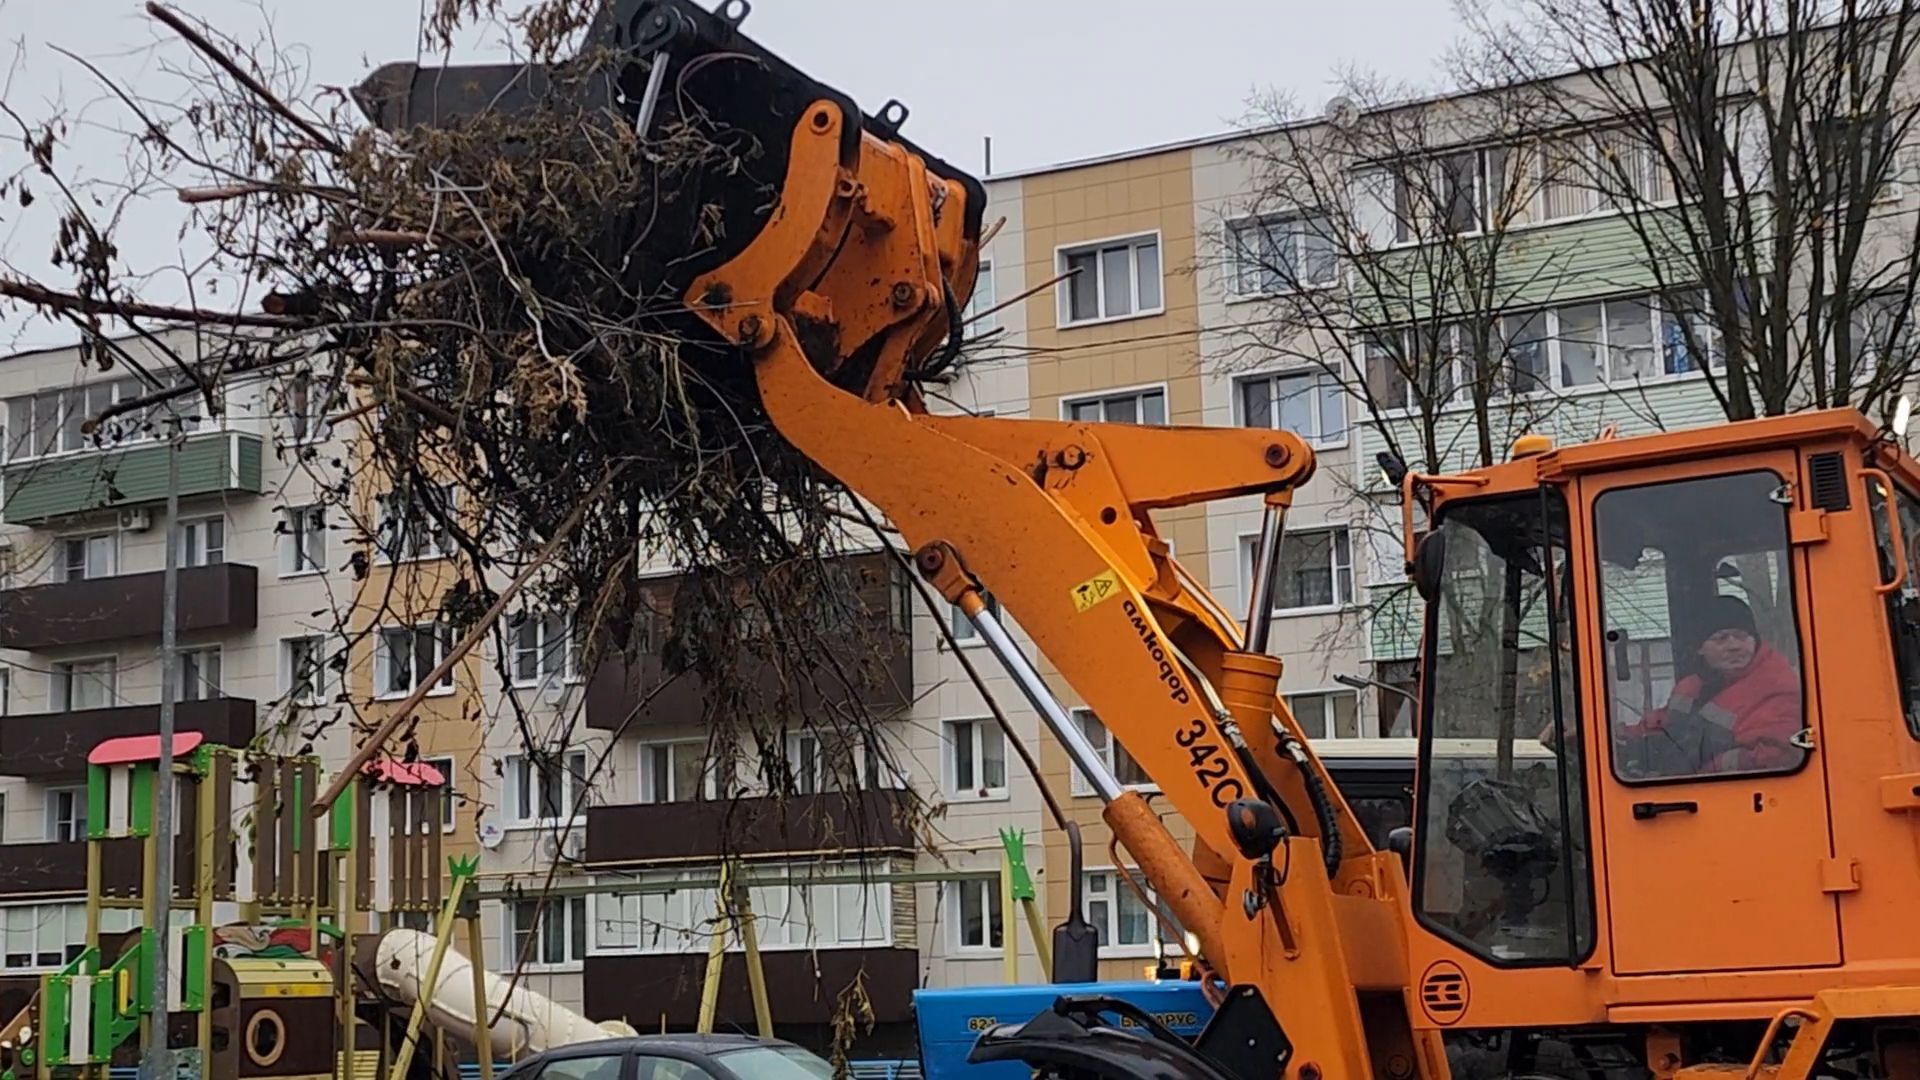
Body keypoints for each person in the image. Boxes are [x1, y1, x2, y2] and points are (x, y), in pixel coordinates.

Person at [1613, 596, 1802, 778]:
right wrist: (1623, 739)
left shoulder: (1776, 687)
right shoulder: (1692, 686)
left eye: (1742, 636)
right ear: (1700, 648)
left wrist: (1698, 776)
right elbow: (1665, 724)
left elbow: (1779, 754)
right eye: (1721, 638)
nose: (1734, 645)